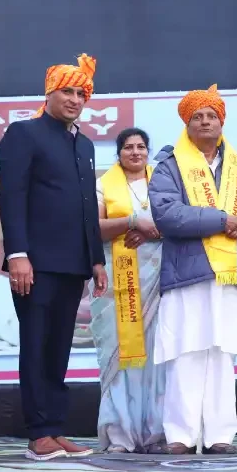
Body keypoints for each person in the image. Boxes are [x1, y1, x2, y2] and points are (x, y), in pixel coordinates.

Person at [0, 54, 108, 461]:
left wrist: (95, 259)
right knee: (36, 345)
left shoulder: (85, 143)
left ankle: (55, 428)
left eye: (82, 94)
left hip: (73, 264)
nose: (75, 100)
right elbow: (11, 197)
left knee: (60, 348)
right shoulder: (24, 133)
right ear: (49, 93)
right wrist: (17, 255)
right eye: (68, 91)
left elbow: (86, 206)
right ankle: (38, 433)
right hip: (35, 264)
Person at [149, 84, 237, 455]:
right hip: (186, 274)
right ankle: (180, 435)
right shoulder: (169, 166)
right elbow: (168, 215)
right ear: (187, 124)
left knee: (222, 355)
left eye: (212, 115)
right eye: (197, 116)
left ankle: (219, 436)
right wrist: (223, 220)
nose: (205, 121)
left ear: (221, 122)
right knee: (186, 352)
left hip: (229, 278)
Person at [91, 127, 167, 454]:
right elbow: (94, 228)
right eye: (128, 147)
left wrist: (149, 232)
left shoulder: (163, 182)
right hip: (115, 282)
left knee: (156, 359)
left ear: (148, 151)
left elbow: (176, 219)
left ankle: (155, 433)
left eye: (141, 147)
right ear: (118, 153)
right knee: (119, 356)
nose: (135, 152)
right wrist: (132, 221)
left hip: (158, 280)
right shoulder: (102, 185)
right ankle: (120, 434)